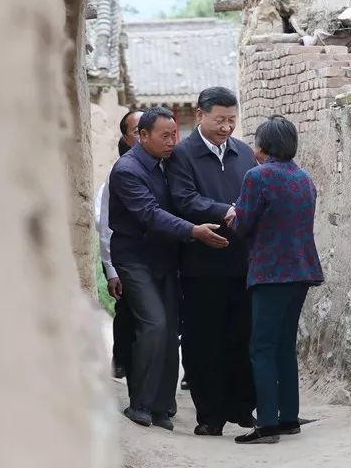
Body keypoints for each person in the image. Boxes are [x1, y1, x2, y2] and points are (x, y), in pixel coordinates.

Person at [108, 107, 229, 430]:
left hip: (166, 257)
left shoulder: (168, 163)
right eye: (164, 136)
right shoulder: (127, 170)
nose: (172, 142)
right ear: (142, 136)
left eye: (174, 135)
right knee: (154, 324)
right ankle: (140, 404)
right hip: (135, 258)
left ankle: (162, 407)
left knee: (170, 328)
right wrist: (193, 231)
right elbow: (150, 214)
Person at [165, 87, 258, 436]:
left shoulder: (243, 152)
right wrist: (226, 211)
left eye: (232, 120)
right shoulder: (182, 156)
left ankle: (243, 408)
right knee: (204, 341)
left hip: (243, 263)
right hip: (200, 266)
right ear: (199, 115)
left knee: (242, 336)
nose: (226, 127)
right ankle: (210, 415)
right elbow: (183, 199)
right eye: (219, 120)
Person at [226, 116, 325, 445]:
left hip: (270, 273)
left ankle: (267, 424)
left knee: (262, 348)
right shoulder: (304, 178)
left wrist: (232, 215)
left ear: (263, 146)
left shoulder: (257, 176)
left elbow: (242, 225)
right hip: (302, 271)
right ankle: (288, 417)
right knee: (284, 346)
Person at [104, 109, 142, 379]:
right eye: (138, 131)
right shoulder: (119, 174)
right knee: (128, 311)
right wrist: (111, 271)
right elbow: (106, 225)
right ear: (127, 138)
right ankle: (123, 361)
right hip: (128, 261)